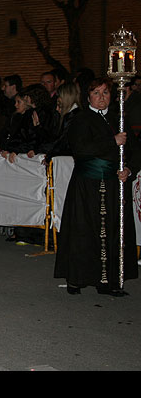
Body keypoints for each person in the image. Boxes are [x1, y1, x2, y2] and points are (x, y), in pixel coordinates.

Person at [54, 77, 140, 296]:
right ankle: (78, 278)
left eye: (105, 93)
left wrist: (129, 169)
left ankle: (110, 281)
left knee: (113, 231)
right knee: (85, 231)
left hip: (114, 185)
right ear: (88, 97)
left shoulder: (118, 118)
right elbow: (80, 149)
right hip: (87, 186)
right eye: (96, 93)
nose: (102, 98)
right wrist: (113, 141)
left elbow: (136, 151)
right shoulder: (81, 119)